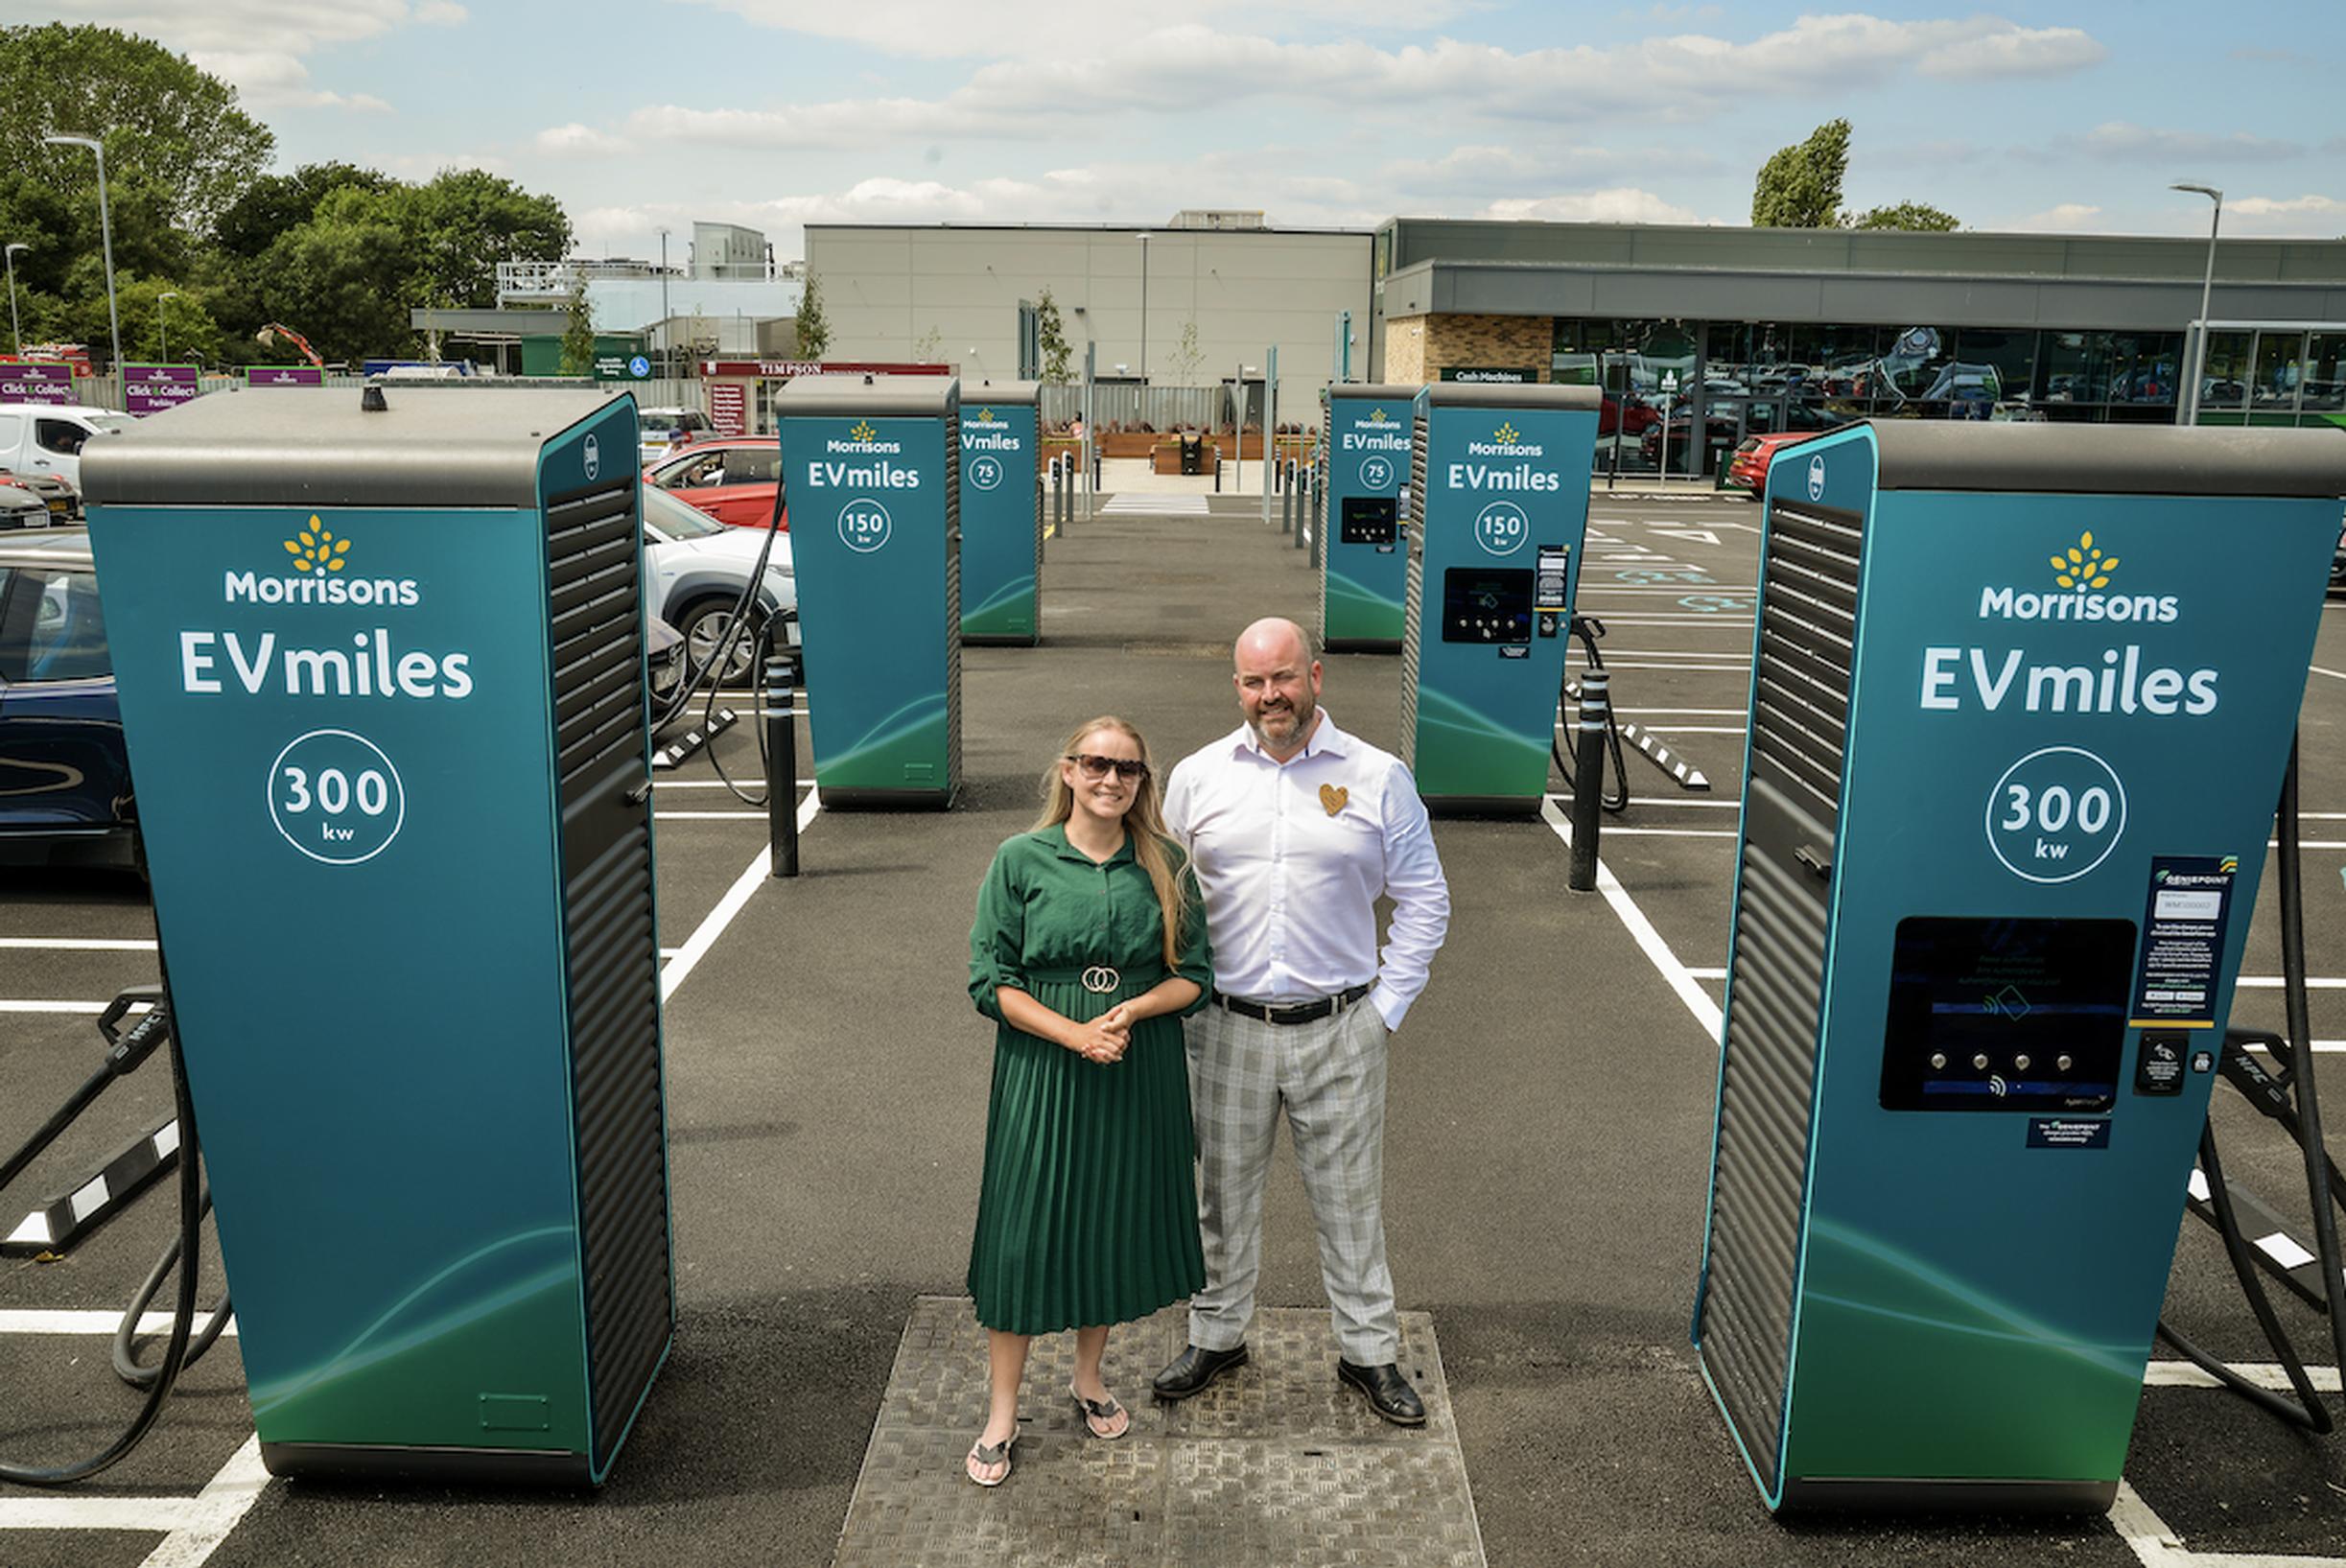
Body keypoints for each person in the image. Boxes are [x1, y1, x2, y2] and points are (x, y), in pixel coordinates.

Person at [1154, 618, 1451, 1425]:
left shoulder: (1377, 776)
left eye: (1283, 677)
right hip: (1225, 1026)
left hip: (1341, 1026)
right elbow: (1164, 893)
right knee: (1220, 1195)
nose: (1270, 696)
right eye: (1253, 682)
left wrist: (1384, 1009)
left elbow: (1425, 899)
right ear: (1236, 688)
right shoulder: (1198, 777)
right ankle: (1217, 1334)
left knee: (1350, 1199)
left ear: (1315, 675)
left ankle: (1369, 1352)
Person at [964, 716, 1213, 1486]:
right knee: (1023, 1232)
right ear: (1068, 771)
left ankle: (1088, 1377)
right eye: (1097, 764)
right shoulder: (1019, 859)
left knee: (1105, 1220)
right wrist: (1075, 1035)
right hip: (1045, 1066)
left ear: (1143, 782)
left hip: (1136, 1064)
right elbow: (990, 980)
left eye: (1128, 769)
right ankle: (1002, 1410)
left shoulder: (1167, 863)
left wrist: (1133, 1012)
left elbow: (1195, 975)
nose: (1112, 779)